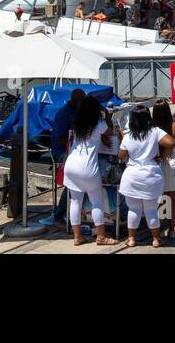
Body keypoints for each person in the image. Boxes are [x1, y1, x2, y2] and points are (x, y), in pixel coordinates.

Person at [62, 95, 120, 246]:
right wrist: (106, 113)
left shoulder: (77, 123)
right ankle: (101, 236)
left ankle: (77, 237)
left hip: (71, 165)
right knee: (97, 202)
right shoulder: (99, 124)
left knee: (75, 201)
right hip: (87, 167)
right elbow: (111, 130)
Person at [118, 104, 174, 248]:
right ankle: (155, 239)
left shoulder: (128, 136)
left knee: (133, 209)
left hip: (132, 176)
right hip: (151, 175)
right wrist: (162, 156)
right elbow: (170, 142)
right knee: (151, 209)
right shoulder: (154, 131)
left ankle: (131, 239)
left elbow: (121, 157)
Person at [151, 100, 175, 240]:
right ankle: (172, 229)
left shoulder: (153, 128)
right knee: (174, 197)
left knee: (161, 197)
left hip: (160, 161)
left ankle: (160, 229)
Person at [51, 88, 86, 231]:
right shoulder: (63, 114)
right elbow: (60, 140)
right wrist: (78, 135)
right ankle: (59, 216)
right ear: (75, 101)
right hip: (62, 152)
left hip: (76, 150)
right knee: (73, 182)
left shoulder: (80, 112)